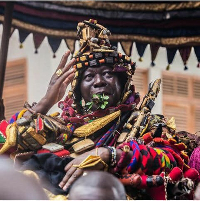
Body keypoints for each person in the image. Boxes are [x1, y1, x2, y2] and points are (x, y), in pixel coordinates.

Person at [0, 19, 199, 200]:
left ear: (123, 84)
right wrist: (45, 102)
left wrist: (108, 155)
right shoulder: (61, 126)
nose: (98, 82)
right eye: (88, 77)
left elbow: (171, 160)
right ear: (78, 91)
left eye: (107, 74)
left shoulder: (144, 122)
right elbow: (6, 148)